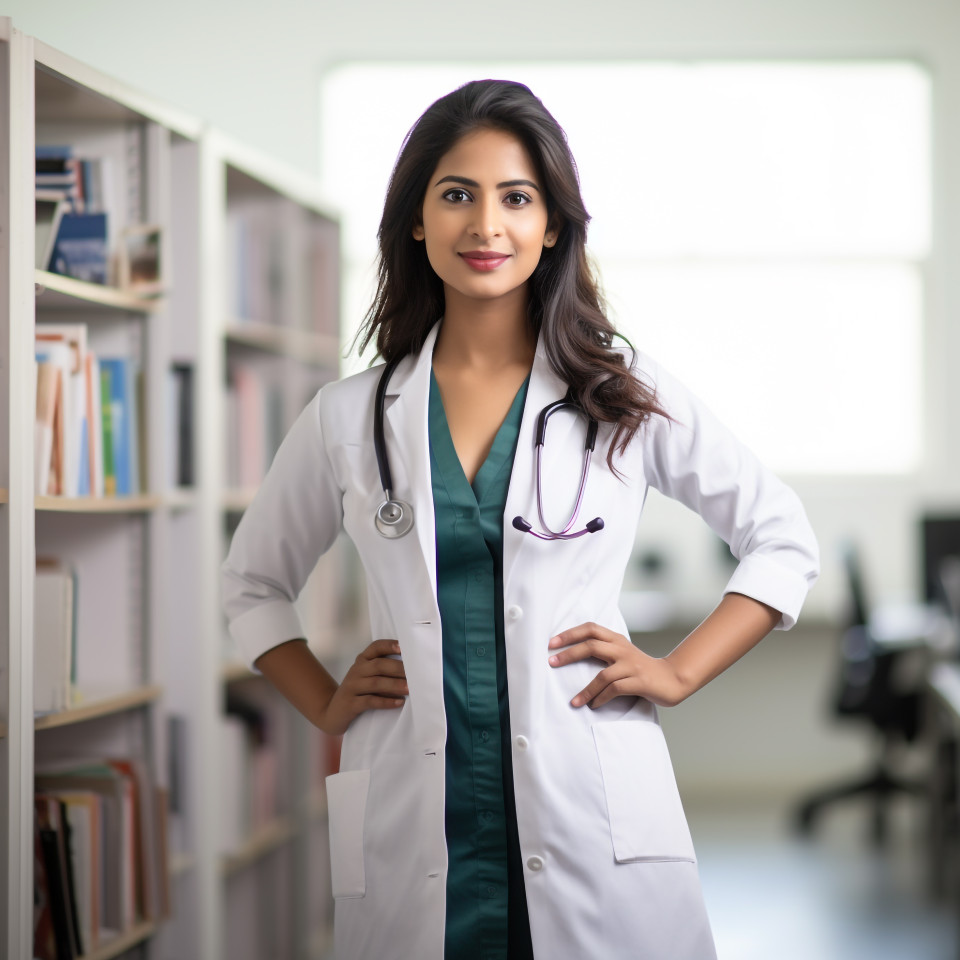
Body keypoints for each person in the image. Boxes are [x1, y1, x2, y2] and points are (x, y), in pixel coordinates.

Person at [221, 79, 820, 960]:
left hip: (590, 804)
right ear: (416, 221)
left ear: (552, 226)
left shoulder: (619, 392)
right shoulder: (349, 416)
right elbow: (251, 585)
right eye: (456, 194)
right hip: (414, 814)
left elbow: (781, 537)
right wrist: (322, 701)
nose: (486, 226)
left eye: (516, 197)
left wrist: (678, 673)